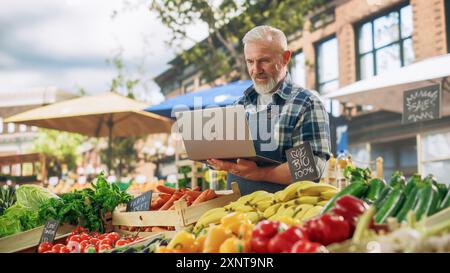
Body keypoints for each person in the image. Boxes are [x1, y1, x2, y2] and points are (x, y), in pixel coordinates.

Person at [207, 25, 331, 195]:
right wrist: (211, 155)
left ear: (285, 58)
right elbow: (226, 158)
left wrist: (258, 174)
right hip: (235, 214)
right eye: (250, 61)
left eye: (264, 60)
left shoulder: (305, 104)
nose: (256, 70)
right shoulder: (238, 106)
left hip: (283, 213)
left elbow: (311, 168)